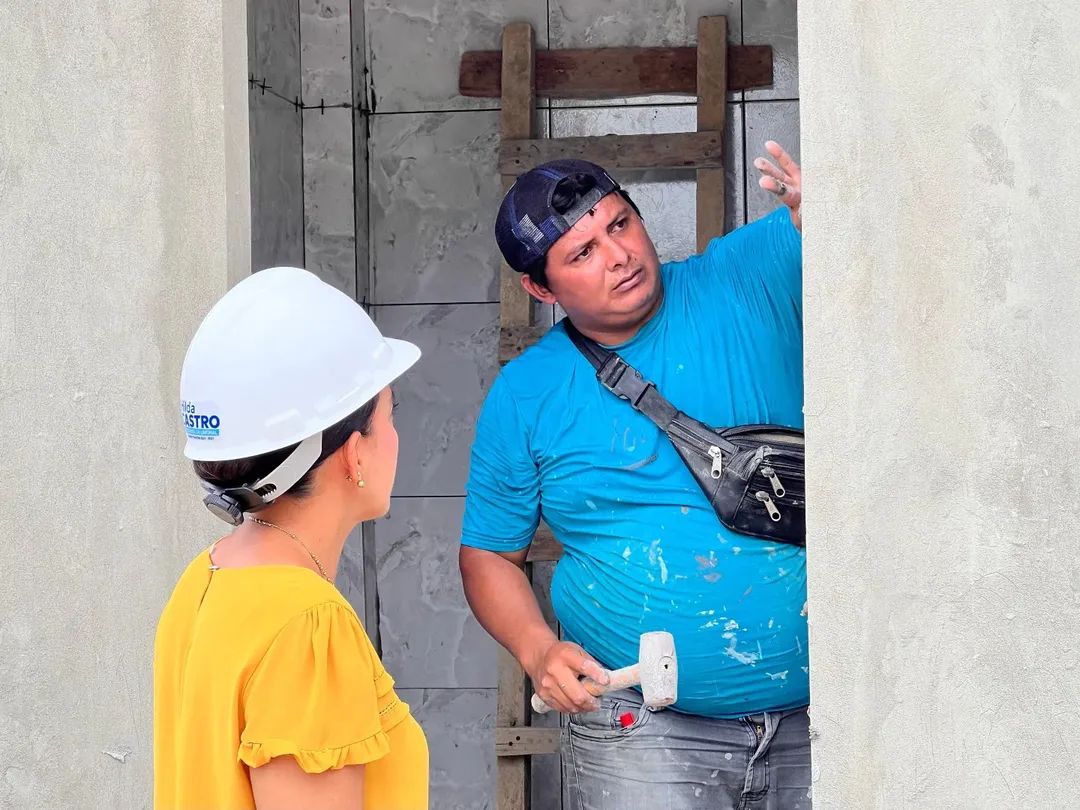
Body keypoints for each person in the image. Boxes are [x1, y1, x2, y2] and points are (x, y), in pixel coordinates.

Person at [459, 143, 810, 808]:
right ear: (541, 289)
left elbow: (840, 235)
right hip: (641, 737)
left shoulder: (743, 276)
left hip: (826, 716)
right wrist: (536, 649)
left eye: (620, 224)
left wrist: (829, 205)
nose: (618, 256)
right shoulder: (526, 394)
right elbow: (489, 556)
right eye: (582, 253)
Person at [154, 267, 428, 809]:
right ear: (354, 454)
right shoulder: (307, 628)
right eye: (391, 415)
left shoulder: (205, 578)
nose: (397, 437)